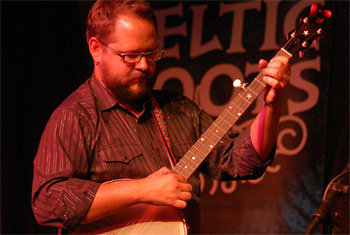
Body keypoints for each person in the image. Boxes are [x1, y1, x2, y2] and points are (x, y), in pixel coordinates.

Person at [32, 0, 291, 234]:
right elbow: (47, 201)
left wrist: (273, 104)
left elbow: (243, 161)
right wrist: (142, 190)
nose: (144, 65)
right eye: (130, 56)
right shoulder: (76, 116)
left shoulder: (179, 110)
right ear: (96, 49)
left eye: (151, 54)